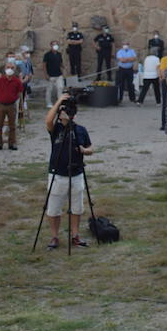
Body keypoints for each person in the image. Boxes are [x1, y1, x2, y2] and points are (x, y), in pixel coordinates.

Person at [43, 93, 94, 249]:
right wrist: (59, 101)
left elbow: (91, 148)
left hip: (76, 173)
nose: (64, 113)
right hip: (57, 174)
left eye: (67, 110)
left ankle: (75, 235)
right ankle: (54, 237)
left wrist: (85, 151)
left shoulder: (80, 130)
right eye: (62, 111)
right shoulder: (56, 129)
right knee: (54, 208)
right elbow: (47, 120)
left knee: (77, 207)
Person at [0, 62, 23, 151]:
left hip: (11, 105)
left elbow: (19, 92)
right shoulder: (0, 80)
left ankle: (12, 143)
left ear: (14, 69)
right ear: (5, 69)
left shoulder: (17, 81)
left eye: (12, 68)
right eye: (8, 67)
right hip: (0, 105)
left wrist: (14, 98)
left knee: (12, 125)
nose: (10, 69)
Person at [42, 41, 65, 106]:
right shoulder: (47, 55)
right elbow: (44, 65)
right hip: (50, 75)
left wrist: (63, 69)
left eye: (56, 45)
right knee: (49, 89)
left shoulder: (59, 54)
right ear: (51, 46)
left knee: (60, 87)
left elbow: (60, 63)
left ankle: (59, 102)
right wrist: (46, 74)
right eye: (54, 45)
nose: (55, 46)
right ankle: (49, 102)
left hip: (59, 74)